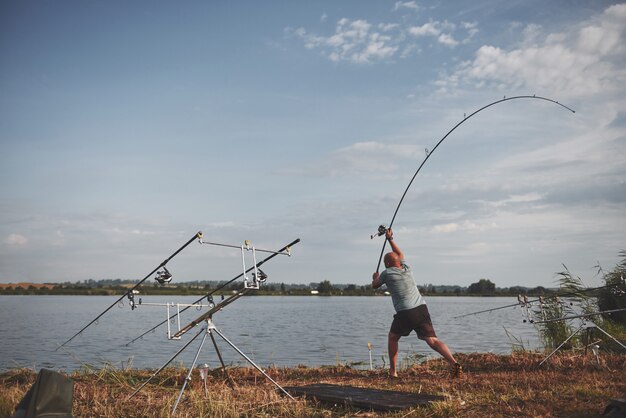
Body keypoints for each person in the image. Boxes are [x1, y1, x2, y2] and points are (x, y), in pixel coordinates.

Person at [372, 228, 462, 379]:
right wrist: (390, 239)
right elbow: (400, 255)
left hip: (406, 312)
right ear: (399, 262)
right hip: (421, 308)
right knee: (432, 340)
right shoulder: (407, 268)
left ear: (387, 264)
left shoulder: (387, 273)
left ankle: (393, 372)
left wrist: (375, 276)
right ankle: (453, 362)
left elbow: (375, 285)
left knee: (393, 337)